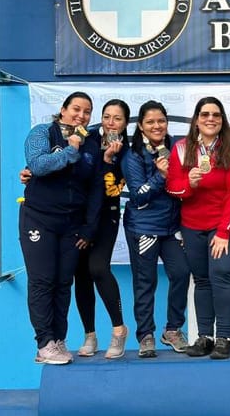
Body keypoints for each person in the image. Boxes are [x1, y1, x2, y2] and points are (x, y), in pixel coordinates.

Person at [20, 99, 132, 359]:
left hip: (73, 223)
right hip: (39, 218)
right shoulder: (43, 132)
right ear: (63, 110)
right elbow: (37, 165)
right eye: (76, 110)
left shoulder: (93, 143)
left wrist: (89, 226)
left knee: (63, 282)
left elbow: (95, 188)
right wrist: (69, 151)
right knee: (42, 280)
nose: (81, 115)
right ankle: (45, 342)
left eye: (86, 112)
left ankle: (58, 339)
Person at [167, 96, 230, 360]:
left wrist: (224, 232)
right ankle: (205, 336)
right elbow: (173, 188)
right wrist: (189, 183)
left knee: (222, 274)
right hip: (192, 226)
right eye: (205, 114)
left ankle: (224, 337)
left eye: (216, 115)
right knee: (201, 280)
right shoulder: (181, 149)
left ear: (222, 121)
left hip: (224, 225)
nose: (210, 119)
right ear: (197, 120)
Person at [121, 100, 190, 358]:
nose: (156, 126)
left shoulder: (177, 148)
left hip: (171, 228)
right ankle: (146, 335)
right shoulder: (133, 155)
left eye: (161, 120)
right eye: (150, 122)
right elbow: (139, 196)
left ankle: (172, 330)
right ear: (140, 126)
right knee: (145, 281)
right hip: (144, 228)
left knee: (182, 273)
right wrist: (160, 176)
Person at [74, 99, 129, 359]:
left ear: (125, 123)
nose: (110, 123)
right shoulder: (87, 139)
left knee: (97, 268)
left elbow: (111, 190)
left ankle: (119, 330)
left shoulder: (127, 149)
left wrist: (108, 161)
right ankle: (90, 335)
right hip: (79, 217)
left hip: (106, 216)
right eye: (106, 117)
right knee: (81, 274)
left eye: (117, 118)